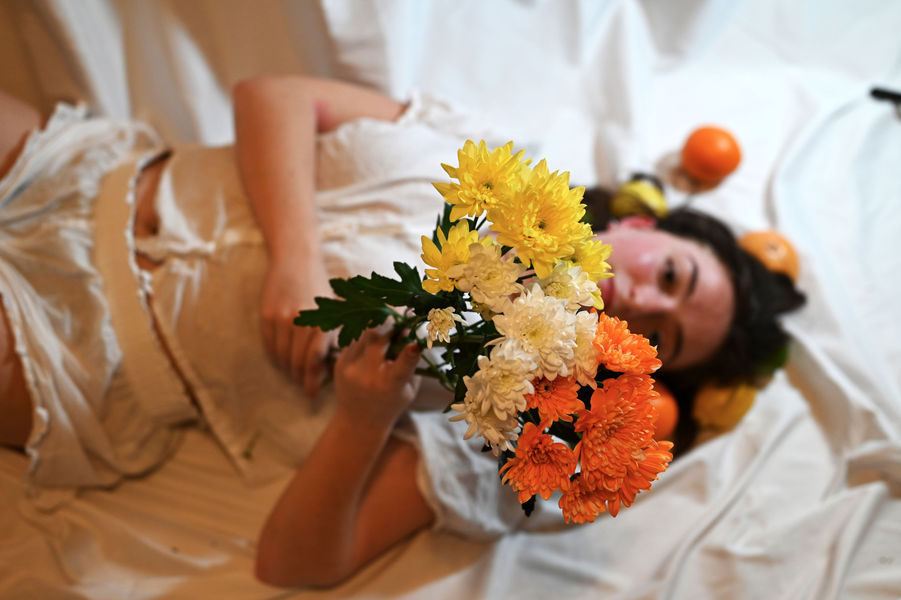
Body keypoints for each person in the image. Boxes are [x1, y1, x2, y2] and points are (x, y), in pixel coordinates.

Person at [0, 75, 804, 587]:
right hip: (72, 167)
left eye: (660, 333)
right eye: (671, 275)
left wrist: (363, 419)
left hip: (71, 354)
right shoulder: (492, 165)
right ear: (642, 226)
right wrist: (294, 258)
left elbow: (295, 562)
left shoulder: (502, 439)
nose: (639, 299)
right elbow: (273, 95)